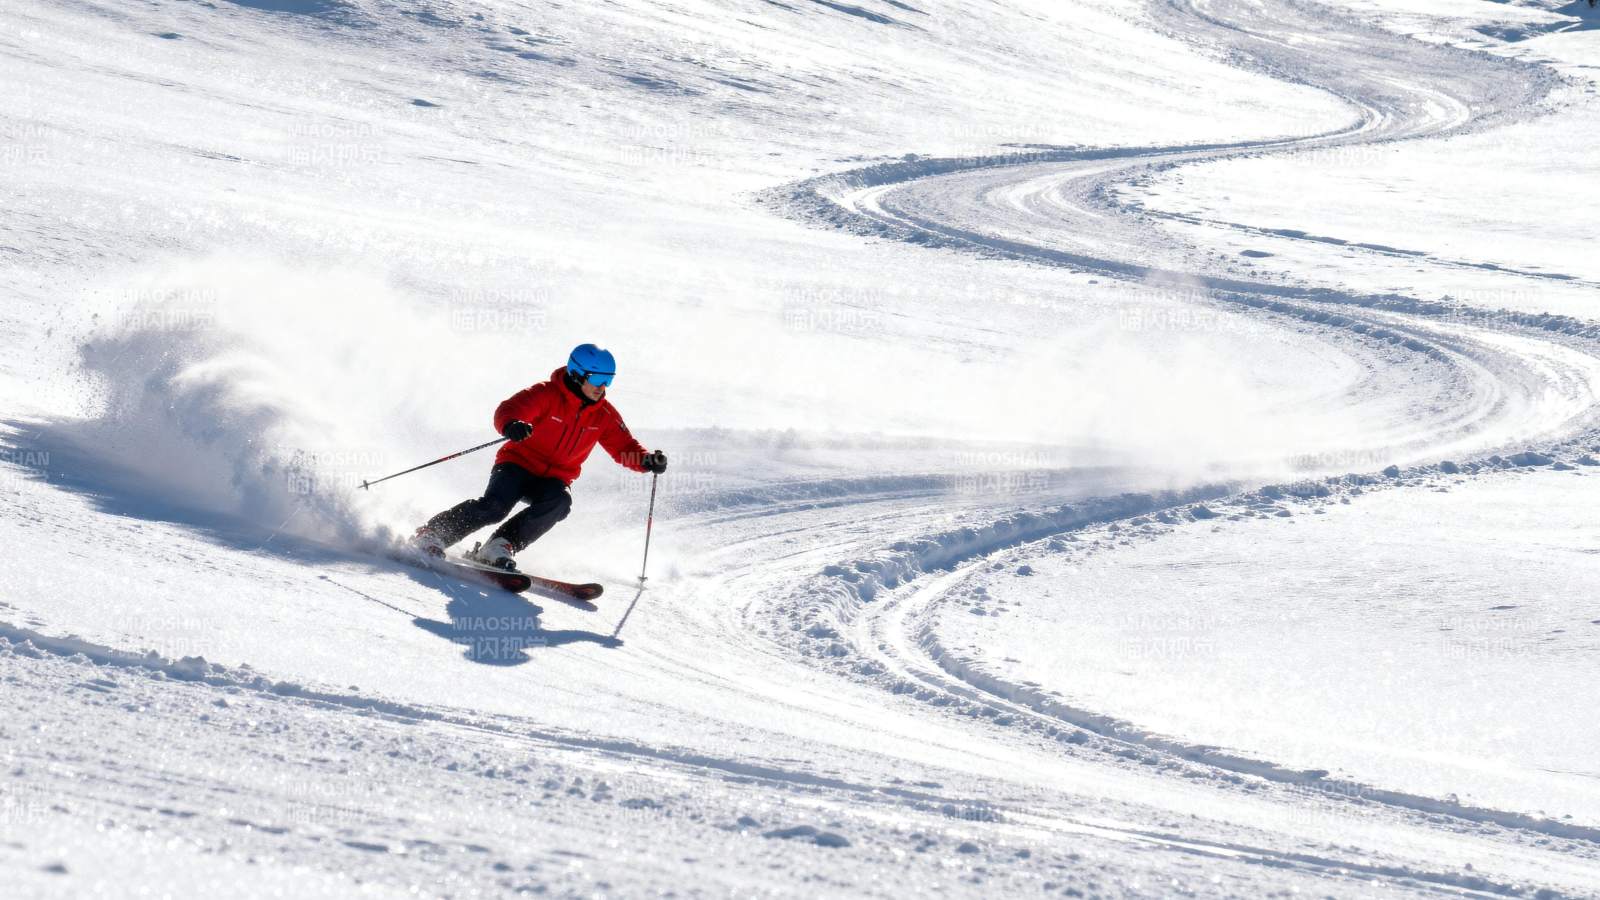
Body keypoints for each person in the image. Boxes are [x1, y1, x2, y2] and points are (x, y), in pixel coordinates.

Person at [410, 343, 667, 570]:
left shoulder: (604, 414)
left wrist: (645, 460)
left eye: (608, 380)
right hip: (517, 464)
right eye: (598, 378)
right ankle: (434, 533)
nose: (603, 387)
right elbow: (509, 409)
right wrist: (512, 424)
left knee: (559, 503)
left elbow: (623, 445)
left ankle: (499, 545)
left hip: (554, 478)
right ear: (577, 374)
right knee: (496, 506)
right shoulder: (546, 394)